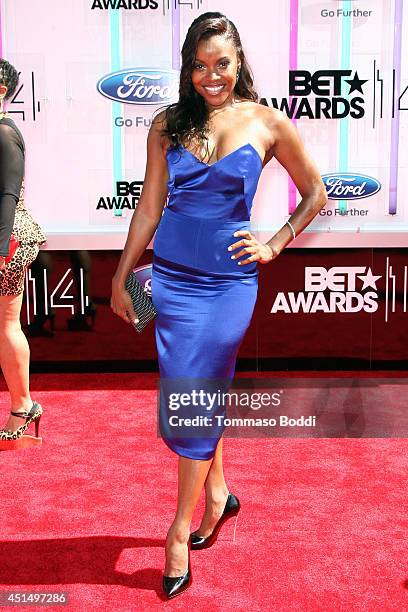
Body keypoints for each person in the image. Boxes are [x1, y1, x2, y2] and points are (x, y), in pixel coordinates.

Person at [111, 12, 327, 599]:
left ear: (239, 63)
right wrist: (122, 273)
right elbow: (149, 207)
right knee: (203, 389)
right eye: (200, 65)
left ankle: (177, 531)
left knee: (194, 394)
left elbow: (315, 192)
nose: (212, 75)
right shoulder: (166, 125)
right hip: (174, 281)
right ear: (188, 68)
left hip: (229, 284)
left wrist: (276, 243)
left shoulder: (267, 122)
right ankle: (216, 495)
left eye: (222, 63)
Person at [0, 59, 46, 445]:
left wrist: (1, 248)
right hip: (7, 238)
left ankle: (22, 405)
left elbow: (8, 195)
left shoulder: (3, 133)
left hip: (8, 238)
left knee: (6, 324)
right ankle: (23, 405)